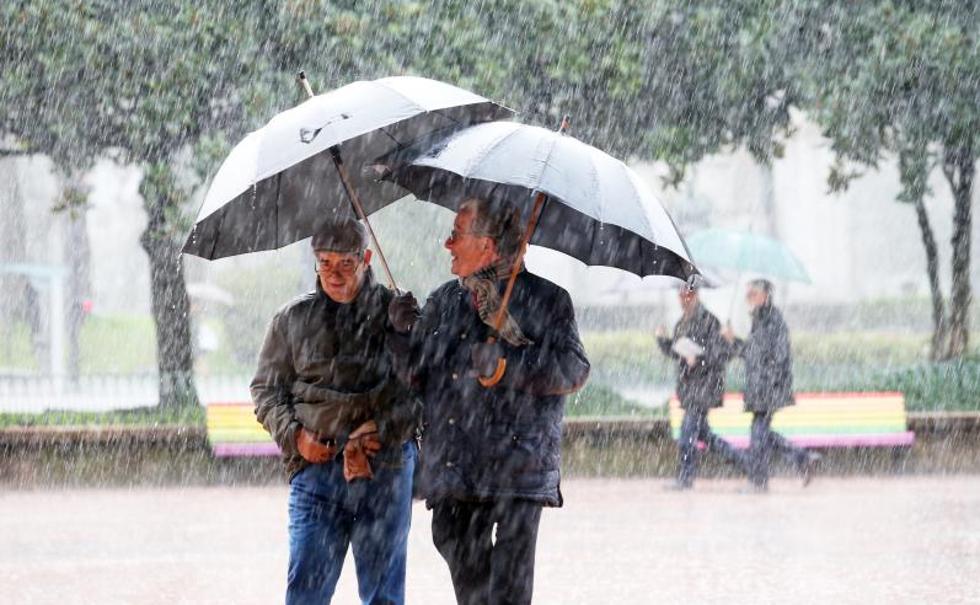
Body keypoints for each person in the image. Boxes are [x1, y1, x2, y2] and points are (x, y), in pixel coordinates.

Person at [387, 196, 590, 605]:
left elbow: (573, 368)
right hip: (455, 466)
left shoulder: (548, 300)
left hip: (517, 469)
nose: (446, 244)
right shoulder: (444, 301)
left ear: (487, 245)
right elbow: (415, 376)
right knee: (459, 556)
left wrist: (507, 367)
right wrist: (400, 333)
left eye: (456, 234)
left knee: (511, 585)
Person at [251, 218, 420, 605]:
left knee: (384, 596)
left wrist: (384, 425)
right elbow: (266, 391)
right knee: (306, 591)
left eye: (345, 263)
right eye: (324, 263)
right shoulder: (291, 320)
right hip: (316, 470)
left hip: (386, 468)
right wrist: (295, 437)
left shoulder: (399, 315)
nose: (334, 275)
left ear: (366, 258)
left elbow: (423, 391)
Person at [722, 279, 819, 491]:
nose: (749, 299)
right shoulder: (759, 320)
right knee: (761, 434)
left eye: (753, 294)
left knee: (758, 435)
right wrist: (732, 341)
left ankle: (759, 481)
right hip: (760, 388)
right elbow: (751, 354)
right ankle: (802, 457)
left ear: (765, 295)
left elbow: (779, 355)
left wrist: (771, 381)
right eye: (747, 295)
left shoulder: (773, 320)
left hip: (767, 389)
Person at [656, 283, 747, 489]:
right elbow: (676, 353)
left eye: (686, 296)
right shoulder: (681, 323)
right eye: (680, 296)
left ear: (695, 295)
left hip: (704, 388)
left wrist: (699, 358)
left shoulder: (709, 321)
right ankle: (747, 463)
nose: (682, 300)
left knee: (687, 431)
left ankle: (685, 477)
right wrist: (663, 341)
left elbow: (721, 354)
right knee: (705, 436)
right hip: (689, 388)